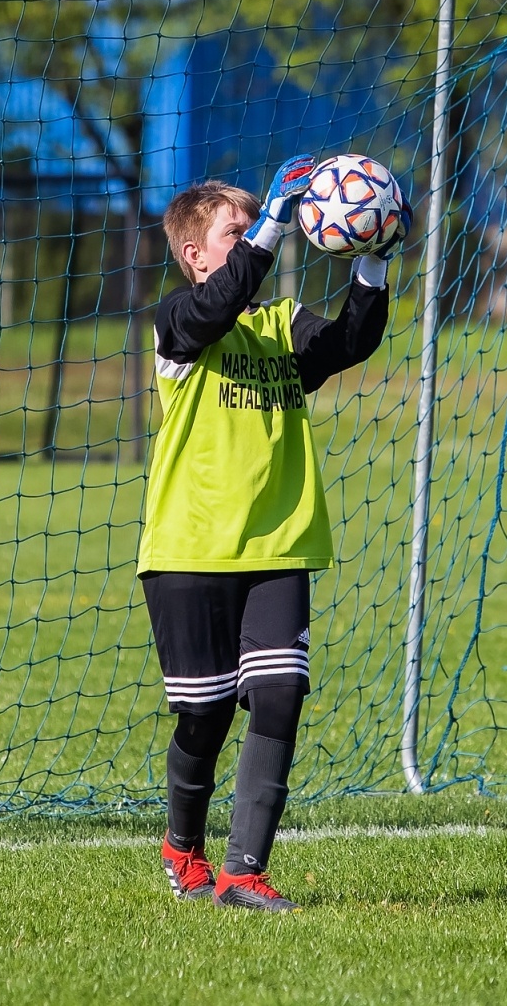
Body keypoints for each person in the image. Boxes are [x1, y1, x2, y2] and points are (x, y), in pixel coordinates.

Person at [138, 155, 408, 912]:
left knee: (280, 692)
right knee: (206, 713)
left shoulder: (279, 325)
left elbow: (350, 343)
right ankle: (181, 846)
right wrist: (277, 220)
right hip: (191, 549)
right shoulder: (176, 326)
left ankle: (243, 873)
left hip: (279, 544)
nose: (260, 235)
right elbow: (215, 306)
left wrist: (374, 262)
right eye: (238, 228)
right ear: (195, 254)